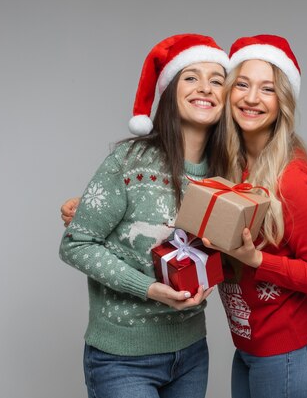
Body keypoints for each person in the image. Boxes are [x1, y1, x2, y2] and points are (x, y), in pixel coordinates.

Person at [59, 34, 229, 398]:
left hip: (192, 352)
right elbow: (76, 244)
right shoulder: (130, 162)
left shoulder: (227, 174)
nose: (206, 87)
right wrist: (149, 289)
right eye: (191, 77)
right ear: (169, 91)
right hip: (123, 357)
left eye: (218, 80)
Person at [202, 34, 307, 398]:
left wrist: (257, 260)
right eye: (242, 85)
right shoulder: (230, 166)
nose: (251, 98)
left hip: (291, 357)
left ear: (283, 102)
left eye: (267, 89)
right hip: (250, 351)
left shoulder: (292, 180)